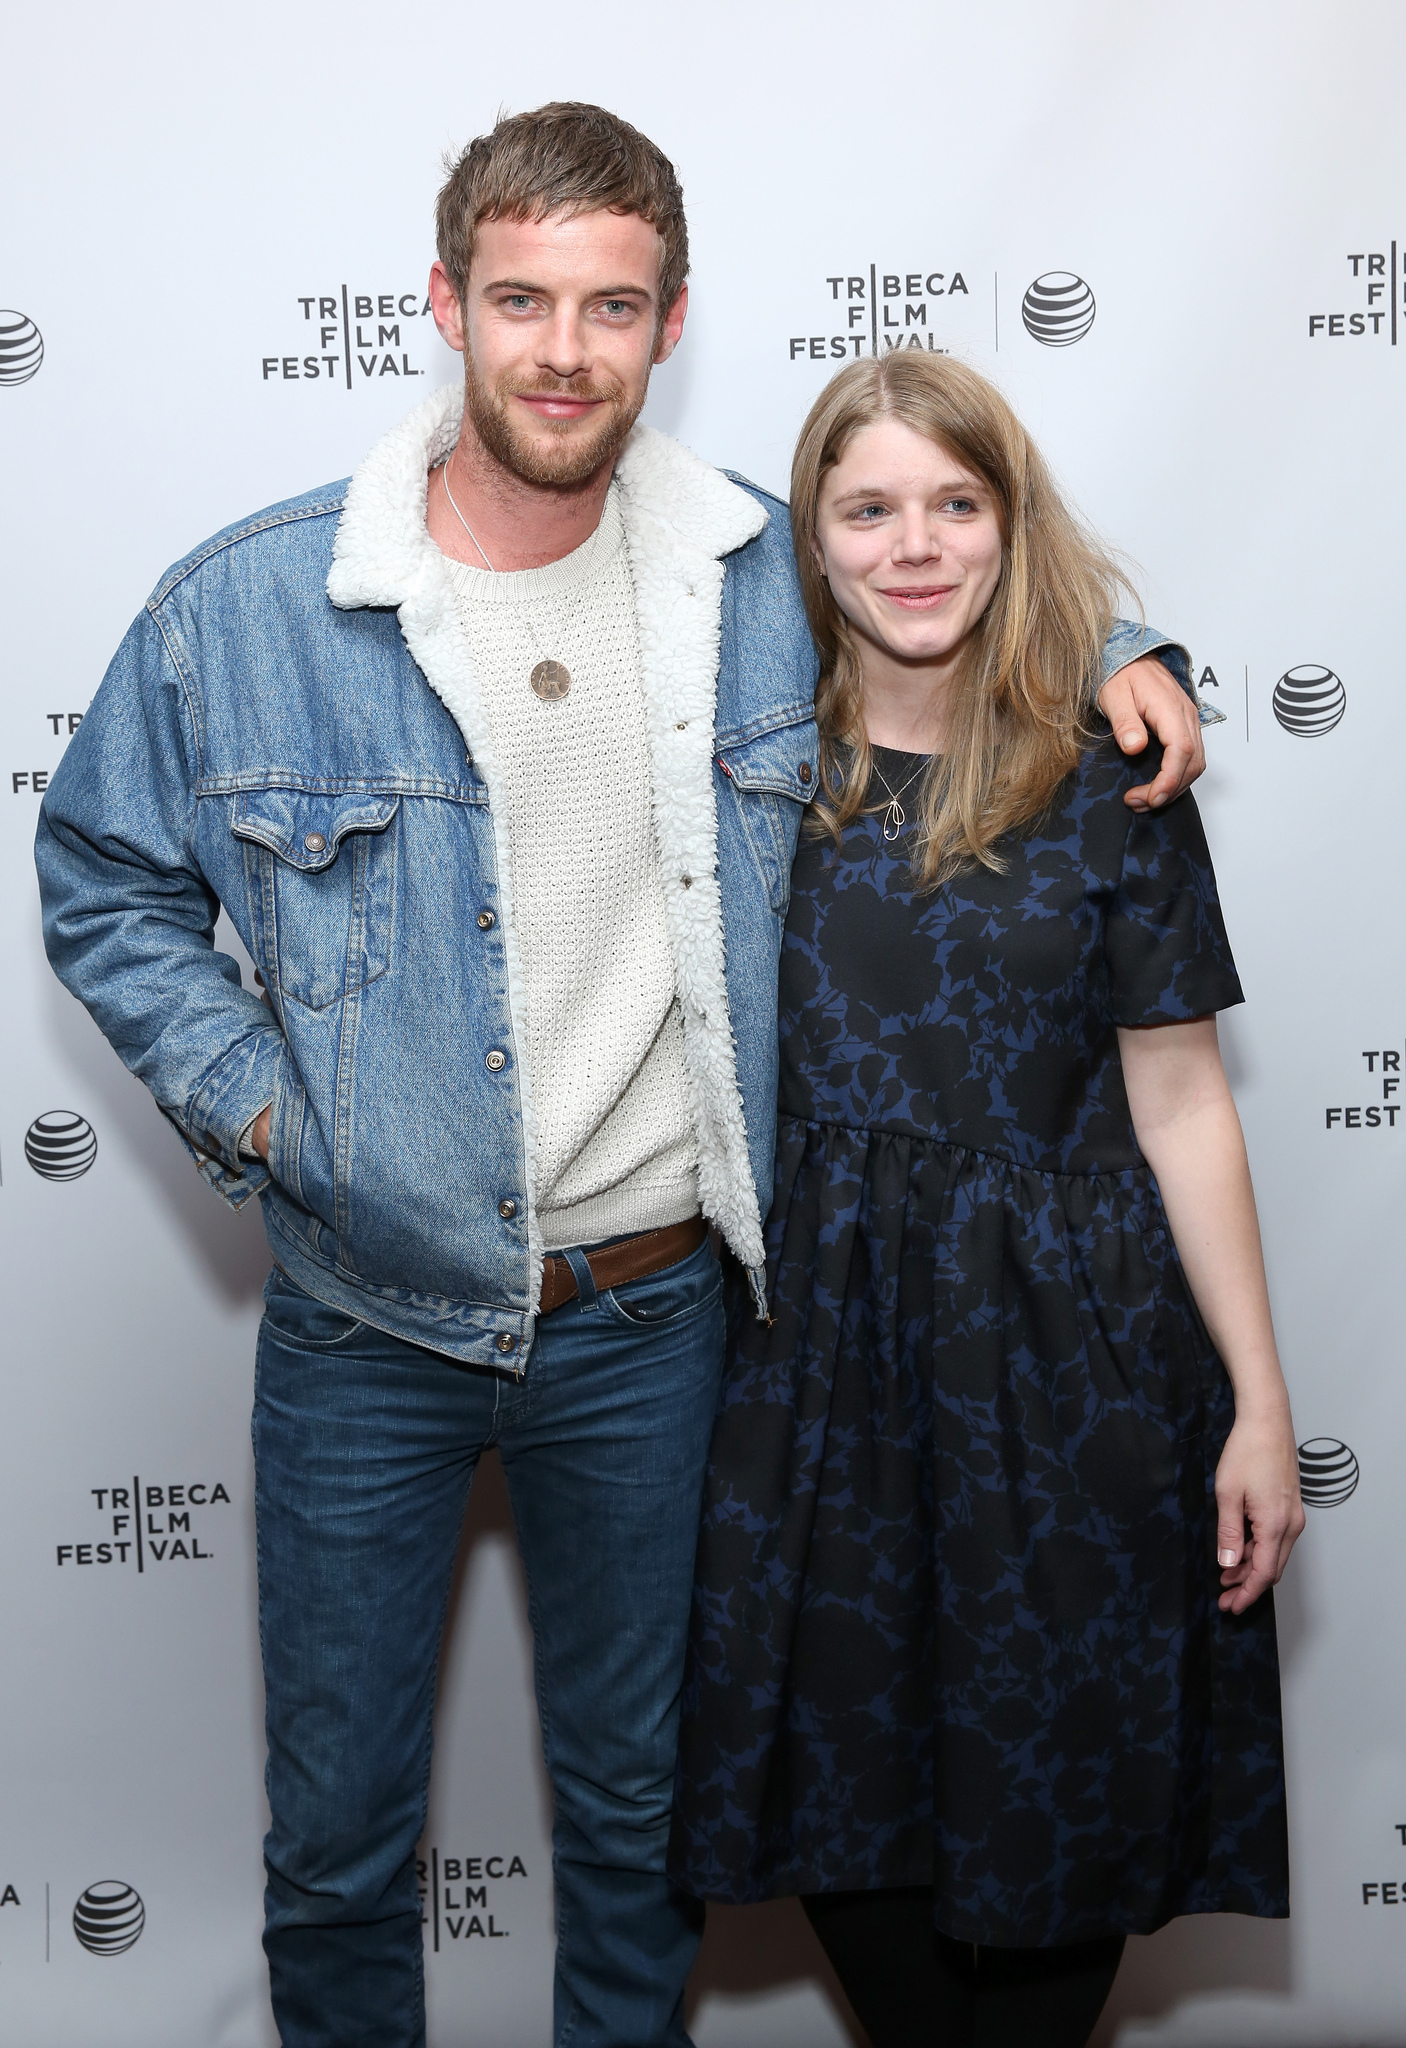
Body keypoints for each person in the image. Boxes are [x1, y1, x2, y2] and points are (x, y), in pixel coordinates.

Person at [34, 105, 1206, 2048]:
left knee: (641, 1832)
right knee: (336, 1846)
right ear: (444, 308)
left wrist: (1127, 642)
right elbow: (99, 869)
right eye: (519, 301)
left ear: (670, 326)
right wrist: (265, 1108)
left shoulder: (764, 571)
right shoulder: (249, 608)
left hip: (660, 1322)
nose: (561, 348)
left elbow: (957, 576)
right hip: (361, 1319)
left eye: (608, 305)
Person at [669, 351, 1305, 2048]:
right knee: (858, 1850)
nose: (914, 546)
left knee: (1059, 1877)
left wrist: (1256, 1403)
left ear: (1011, 527)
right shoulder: (737, 785)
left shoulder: (1113, 783)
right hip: (819, 1398)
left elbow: (1180, 1107)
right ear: (805, 542)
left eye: (956, 504)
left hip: (1075, 1389)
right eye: (866, 508)